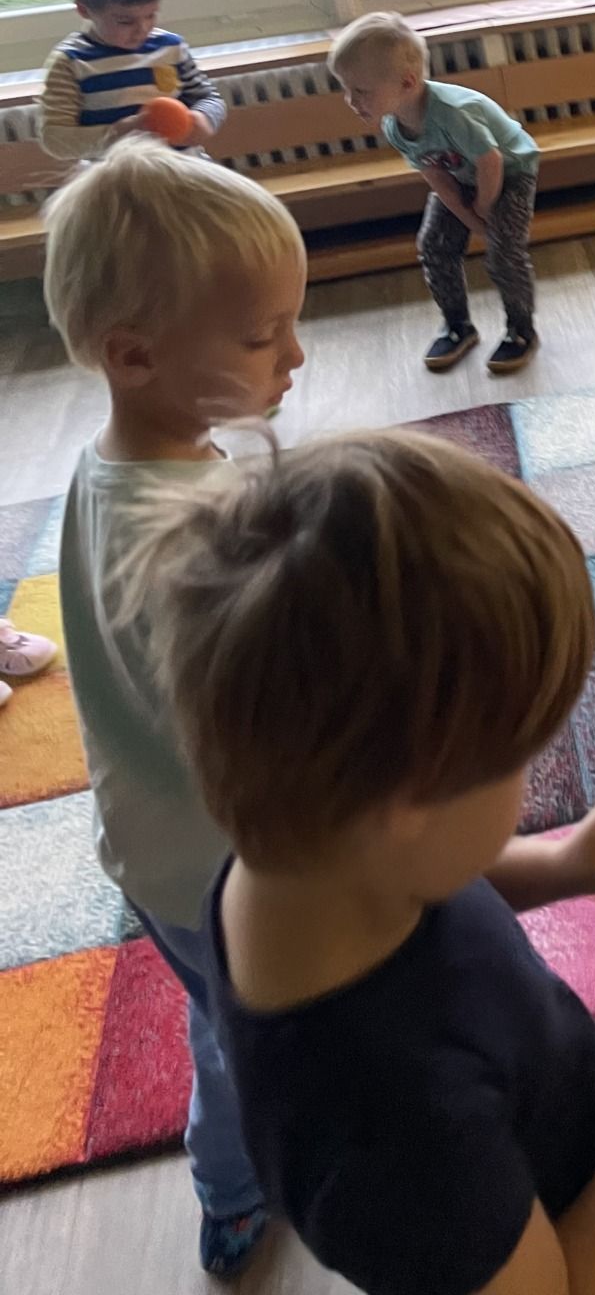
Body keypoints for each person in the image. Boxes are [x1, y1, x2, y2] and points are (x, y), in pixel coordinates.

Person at [128, 427, 595, 1295]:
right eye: (519, 759)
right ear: (410, 806)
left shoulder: (293, 856)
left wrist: (563, 861)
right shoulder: (388, 1134)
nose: (531, 776)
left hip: (550, 1146)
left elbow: (417, 885)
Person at [40, 136, 309, 1279]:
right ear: (135, 352)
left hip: (152, 841)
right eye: (260, 337)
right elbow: (260, 716)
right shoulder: (189, 529)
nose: (295, 354)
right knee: (247, 1035)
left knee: (224, 1017)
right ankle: (237, 1191)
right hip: (222, 862)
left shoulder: (110, 466)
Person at [328, 12, 541, 375]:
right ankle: (458, 326)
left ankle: (521, 331)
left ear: (407, 82)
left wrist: (485, 208)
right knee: (434, 245)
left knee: (504, 251)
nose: (350, 100)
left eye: (360, 91)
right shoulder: (394, 125)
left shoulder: (452, 114)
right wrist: (468, 217)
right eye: (346, 89)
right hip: (462, 175)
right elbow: (435, 173)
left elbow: (491, 162)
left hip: (510, 172)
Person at [39, 0, 228, 160]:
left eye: (151, 15)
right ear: (84, 10)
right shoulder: (70, 63)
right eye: (125, 21)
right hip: (113, 176)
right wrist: (117, 134)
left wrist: (204, 118)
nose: (143, 29)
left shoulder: (171, 47)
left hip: (184, 168)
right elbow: (55, 140)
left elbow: (209, 98)